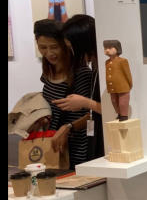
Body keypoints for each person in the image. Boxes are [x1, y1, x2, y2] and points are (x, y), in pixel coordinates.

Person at [34, 19, 93, 169]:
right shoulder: (48, 72)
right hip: (53, 143)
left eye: (54, 47)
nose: (49, 53)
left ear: (65, 44)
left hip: (77, 146)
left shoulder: (81, 73)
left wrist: (69, 127)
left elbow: (93, 115)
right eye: (43, 47)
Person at [56, 14, 104, 160]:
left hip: (105, 140)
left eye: (71, 46)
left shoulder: (105, 66)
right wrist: (70, 126)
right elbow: (94, 112)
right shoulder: (95, 65)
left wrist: (84, 102)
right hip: (96, 139)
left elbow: (116, 110)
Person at [103, 40, 133, 121]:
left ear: (117, 48)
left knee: (123, 101)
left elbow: (127, 73)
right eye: (105, 48)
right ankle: (119, 114)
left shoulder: (122, 61)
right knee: (114, 101)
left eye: (110, 48)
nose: (107, 50)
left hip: (123, 86)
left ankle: (124, 115)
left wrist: (130, 84)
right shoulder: (107, 62)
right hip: (112, 87)